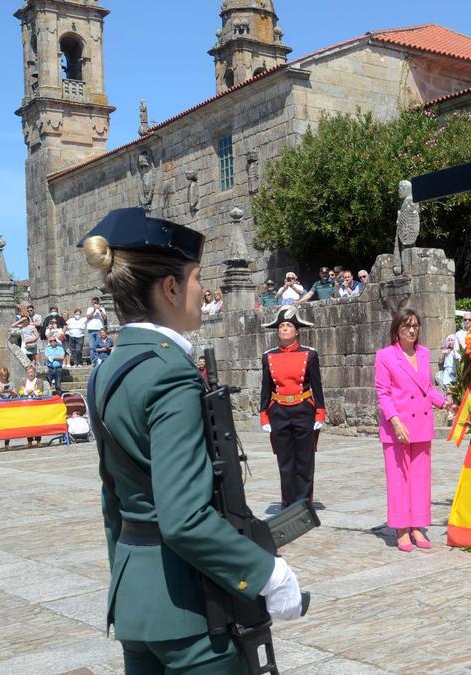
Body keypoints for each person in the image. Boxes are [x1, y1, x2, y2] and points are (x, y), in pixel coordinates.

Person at [80, 207, 304, 671]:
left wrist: (131, 583)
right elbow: (183, 518)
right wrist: (268, 574)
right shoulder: (169, 374)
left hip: (138, 602)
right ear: (170, 287)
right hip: (194, 608)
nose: (205, 292)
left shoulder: (105, 373)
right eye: (197, 278)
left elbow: (113, 503)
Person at [374, 309, 452, 551]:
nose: (411, 330)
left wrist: (444, 402)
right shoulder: (385, 356)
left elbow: (426, 387)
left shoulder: (424, 353)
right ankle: (401, 528)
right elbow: (383, 393)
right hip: (397, 426)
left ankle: (418, 525)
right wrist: (395, 420)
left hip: (421, 425)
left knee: (420, 478)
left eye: (415, 325)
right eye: (406, 325)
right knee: (399, 479)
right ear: (397, 329)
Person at [260, 305, 327, 510]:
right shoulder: (269, 356)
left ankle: (304, 503)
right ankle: (288, 504)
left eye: (289, 325)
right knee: (285, 461)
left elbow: (317, 385)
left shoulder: (310, 354)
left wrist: (320, 413)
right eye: (281, 326)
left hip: (303, 410)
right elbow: (266, 387)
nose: (285, 329)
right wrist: (264, 415)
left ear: (297, 330)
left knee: (305, 460)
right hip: (279, 410)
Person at [86, 297, 107, 364]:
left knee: (100, 345)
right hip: (91, 329)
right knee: (92, 347)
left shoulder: (102, 309)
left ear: (98, 303)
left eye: (96, 302)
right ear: (92, 303)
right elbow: (88, 317)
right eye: (94, 302)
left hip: (99, 330)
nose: (95, 303)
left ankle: (100, 360)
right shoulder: (89, 309)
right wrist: (94, 310)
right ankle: (93, 362)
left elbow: (105, 318)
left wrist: (100, 310)